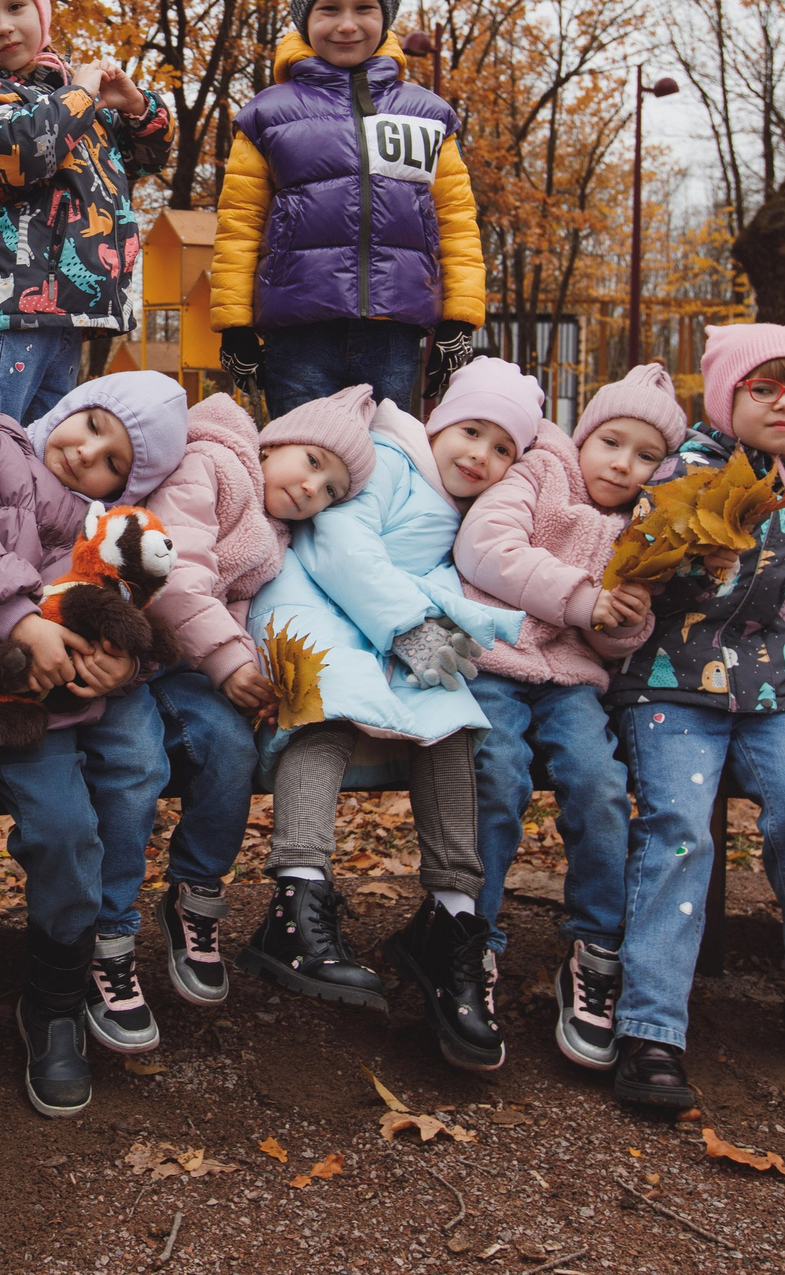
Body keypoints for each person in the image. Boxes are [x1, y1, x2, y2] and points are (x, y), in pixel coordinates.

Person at [604, 322, 785, 1112]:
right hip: (673, 687)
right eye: (764, 389)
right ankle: (651, 1024)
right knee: (678, 827)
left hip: (777, 697)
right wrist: (687, 559)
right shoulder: (677, 471)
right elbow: (630, 569)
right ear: (726, 396)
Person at [0, 371, 187, 1128]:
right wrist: (21, 619)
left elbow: (132, 612)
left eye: (114, 458)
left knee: (68, 835)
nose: (88, 454)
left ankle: (51, 1007)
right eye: (90, 425)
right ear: (68, 409)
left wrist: (126, 663)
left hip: (37, 715)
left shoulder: (109, 532)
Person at [237, 368, 532, 1074]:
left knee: (453, 711)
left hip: (380, 621)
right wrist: (409, 628)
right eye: (470, 432)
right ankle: (297, 892)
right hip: (308, 600)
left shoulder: (462, 505)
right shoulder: (393, 462)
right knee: (326, 703)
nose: (479, 456)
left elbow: (419, 570)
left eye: (501, 449)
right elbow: (340, 547)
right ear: (435, 422)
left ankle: (452, 913)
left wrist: (434, 623)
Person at [452, 362, 680, 1072]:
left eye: (647, 456)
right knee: (496, 773)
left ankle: (596, 947)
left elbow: (617, 638)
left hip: (572, 680)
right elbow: (485, 549)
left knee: (599, 784)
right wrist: (583, 598)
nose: (625, 464)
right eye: (613, 441)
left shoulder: (643, 526)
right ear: (584, 434)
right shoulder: (536, 472)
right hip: (491, 658)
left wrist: (622, 619)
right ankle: (472, 944)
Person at [208, 0, 485, 415]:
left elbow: (456, 221)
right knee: (300, 467)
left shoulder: (428, 115)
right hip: (298, 333)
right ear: (304, 19)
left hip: (394, 330)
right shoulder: (267, 115)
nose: (347, 25)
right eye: (329, 9)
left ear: (386, 17)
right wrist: (234, 325)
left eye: (365, 8)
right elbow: (239, 224)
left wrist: (459, 319)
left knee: (388, 465)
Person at [0, 0, 173, 445]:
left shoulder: (68, 96)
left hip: (77, 305)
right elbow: (21, 152)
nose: (4, 26)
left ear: (40, 9)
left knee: (43, 444)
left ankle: (20, 525)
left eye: (16, 7)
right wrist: (80, 96)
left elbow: (140, 161)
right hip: (17, 299)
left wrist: (136, 110)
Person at [138, 393, 284, 1007]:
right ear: (271, 447)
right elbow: (172, 569)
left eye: (332, 488)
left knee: (231, 749)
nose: (313, 490)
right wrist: (229, 661)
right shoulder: (209, 464)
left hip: (203, 660)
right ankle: (101, 915)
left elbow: (249, 598)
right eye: (311, 468)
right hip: (156, 655)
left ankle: (196, 892)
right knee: (140, 763)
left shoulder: (272, 508)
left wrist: (259, 670)